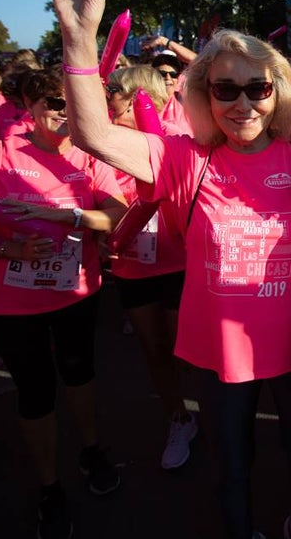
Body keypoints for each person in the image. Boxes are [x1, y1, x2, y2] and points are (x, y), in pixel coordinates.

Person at [42, 0, 291, 539]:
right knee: (232, 462)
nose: (242, 104)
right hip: (221, 350)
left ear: (278, 93)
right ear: (204, 95)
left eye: (257, 88)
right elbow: (91, 133)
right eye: (225, 89)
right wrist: (80, 38)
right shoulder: (186, 159)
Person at [0, 67, 128, 539]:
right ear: (29, 106)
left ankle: (92, 450)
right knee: (35, 392)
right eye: (52, 102)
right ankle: (50, 486)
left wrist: (70, 216)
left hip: (75, 292)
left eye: (72, 103)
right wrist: (13, 249)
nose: (63, 112)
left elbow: (114, 213)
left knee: (80, 374)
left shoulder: (90, 155)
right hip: (8, 304)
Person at [102, 64, 198, 470]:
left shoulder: (178, 141)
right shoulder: (106, 144)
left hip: (180, 262)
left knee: (188, 351)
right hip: (132, 267)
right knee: (154, 348)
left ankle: (216, 414)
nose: (111, 101)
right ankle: (178, 418)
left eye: (118, 94)